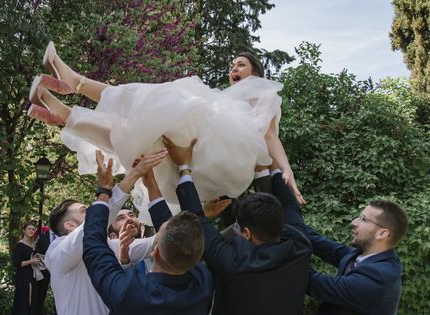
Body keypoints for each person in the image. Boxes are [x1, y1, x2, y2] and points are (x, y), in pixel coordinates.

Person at [27, 42, 305, 206]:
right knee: (138, 136)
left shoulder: (265, 92)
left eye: (241, 65)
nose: (234, 69)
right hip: (208, 158)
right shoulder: (225, 98)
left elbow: (269, 136)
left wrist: (286, 168)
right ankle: (63, 112)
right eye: (232, 65)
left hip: (231, 159)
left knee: (166, 99)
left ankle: (75, 82)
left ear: (256, 72)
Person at [163, 136, 312, 315]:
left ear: (247, 233)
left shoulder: (232, 262)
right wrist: (266, 162)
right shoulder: (300, 245)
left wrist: (184, 165)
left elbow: (197, 220)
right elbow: (289, 205)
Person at [83, 151, 214, 315]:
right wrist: (152, 185)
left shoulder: (129, 291)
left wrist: (104, 190)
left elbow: (93, 247)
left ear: (154, 252)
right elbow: (175, 236)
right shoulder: (202, 280)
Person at [45, 150, 171, 315]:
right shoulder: (57, 253)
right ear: (70, 226)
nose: (95, 214)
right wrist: (130, 177)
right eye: (86, 211)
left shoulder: (110, 247)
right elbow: (97, 220)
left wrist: (193, 217)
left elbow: (162, 240)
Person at [306, 200, 408, 315]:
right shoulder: (359, 256)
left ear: (382, 233)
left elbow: (316, 284)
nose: (353, 222)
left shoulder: (381, 276)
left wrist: (280, 251)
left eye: (363, 219)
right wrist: (285, 220)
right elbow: (320, 243)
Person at [9, 220, 39, 315]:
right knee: (25, 301)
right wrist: (31, 261)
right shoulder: (20, 245)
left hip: (32, 275)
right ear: (24, 230)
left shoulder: (33, 244)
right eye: (29, 229)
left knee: (31, 302)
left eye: (33, 229)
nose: (31, 231)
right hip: (23, 277)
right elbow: (16, 263)